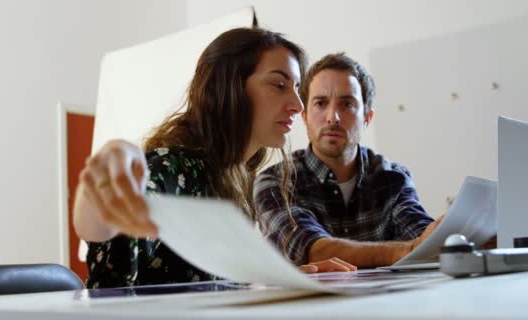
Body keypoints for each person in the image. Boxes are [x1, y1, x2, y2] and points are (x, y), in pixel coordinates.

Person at [73, 28, 355, 289]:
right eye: (279, 85)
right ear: (229, 88)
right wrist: (104, 176)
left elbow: (221, 288)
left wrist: (283, 282)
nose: (297, 105)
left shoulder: (239, 177)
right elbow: (108, 252)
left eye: (296, 88)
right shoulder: (171, 167)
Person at [254, 53, 443, 268]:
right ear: (304, 116)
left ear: (367, 118)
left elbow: (421, 236)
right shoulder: (275, 182)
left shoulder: (393, 177)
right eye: (321, 103)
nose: (332, 117)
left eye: (347, 104)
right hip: (313, 302)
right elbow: (309, 248)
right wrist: (405, 250)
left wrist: (455, 235)